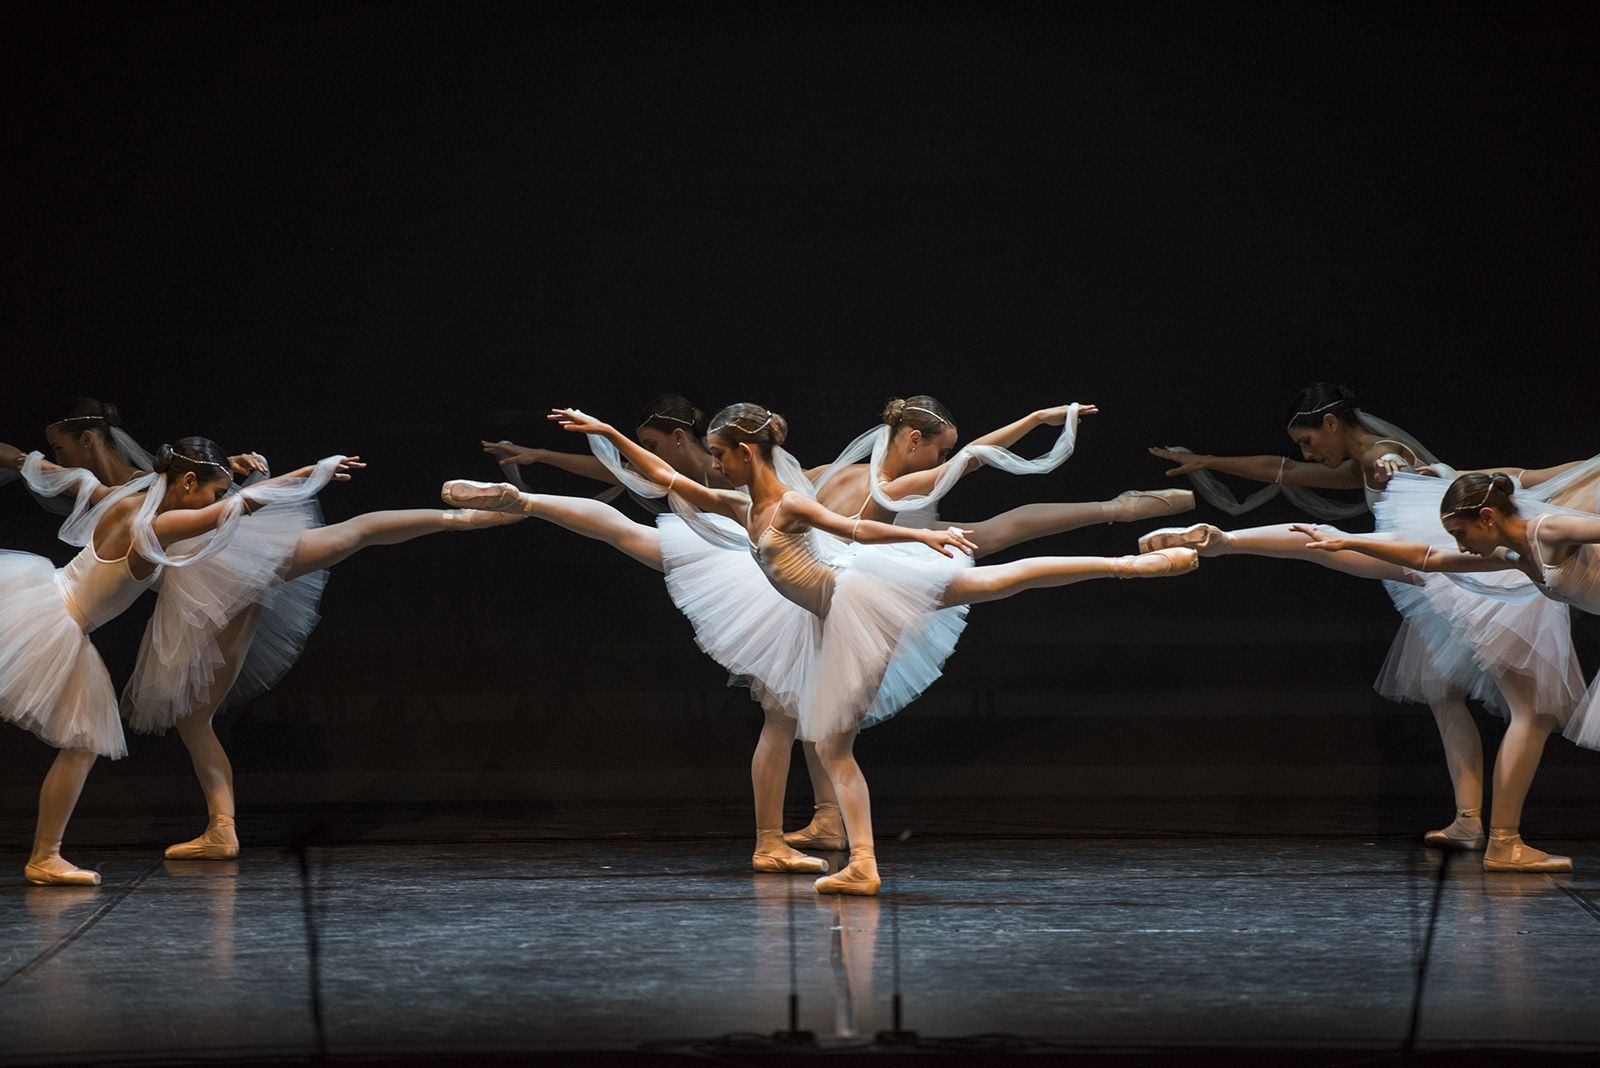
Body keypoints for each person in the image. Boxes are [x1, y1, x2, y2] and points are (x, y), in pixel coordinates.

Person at [448, 403, 1195, 895]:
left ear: (743, 449)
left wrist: (924, 534)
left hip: (853, 601)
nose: (712, 463)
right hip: (819, 609)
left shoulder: (793, 499)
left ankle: (1130, 563)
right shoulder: (742, 500)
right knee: (846, 720)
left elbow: (863, 533)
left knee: (985, 587)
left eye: (719, 452)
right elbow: (663, 477)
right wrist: (602, 437)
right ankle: (847, 856)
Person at [1141, 384, 1584, 867]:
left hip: (1466, 571)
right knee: (1440, 688)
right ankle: (1470, 820)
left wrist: (1391, 466)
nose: (1307, 453)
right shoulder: (1360, 465)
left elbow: (1389, 463)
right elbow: (1280, 470)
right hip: (1437, 564)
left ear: (1332, 423)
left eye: (1309, 441)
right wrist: (1208, 461)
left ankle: (1504, 839)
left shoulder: (1381, 455)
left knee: (1530, 710)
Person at [1292, 469, 1600, 872]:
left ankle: (1505, 843)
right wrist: (1347, 539)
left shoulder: (1549, 529)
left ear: (1488, 517)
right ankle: (1504, 845)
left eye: (1461, 532)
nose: (1459, 545)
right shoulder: (1511, 554)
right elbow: (1429, 558)